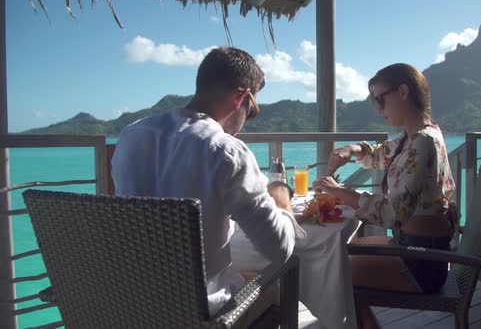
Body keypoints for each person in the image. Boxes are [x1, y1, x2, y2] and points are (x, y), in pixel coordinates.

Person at [111, 47, 304, 320]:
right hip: (198, 313)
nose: (246, 121)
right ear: (241, 97)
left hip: (127, 305)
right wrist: (282, 200)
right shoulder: (227, 151)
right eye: (252, 110)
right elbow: (280, 249)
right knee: (278, 286)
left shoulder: (131, 135)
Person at [312, 63, 457, 329]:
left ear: (403, 92)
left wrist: (339, 193)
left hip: (421, 263)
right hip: (420, 249)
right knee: (338, 256)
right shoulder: (416, 138)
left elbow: (393, 213)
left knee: (332, 273)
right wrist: (351, 150)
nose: (379, 109)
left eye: (380, 99)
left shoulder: (422, 143)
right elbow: (379, 153)